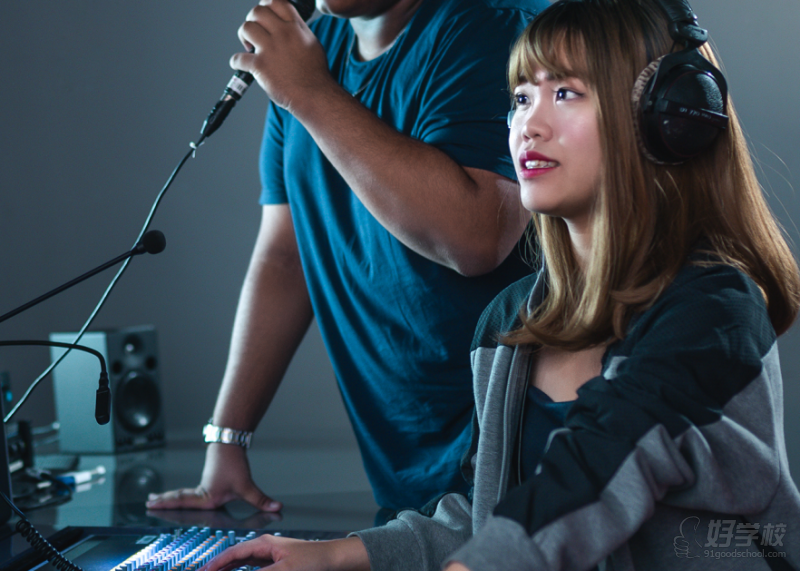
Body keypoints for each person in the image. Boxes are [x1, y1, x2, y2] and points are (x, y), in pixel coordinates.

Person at [193, 0, 800, 569]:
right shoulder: (511, 322)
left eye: (565, 93)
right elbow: (490, 514)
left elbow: (590, 482)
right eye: (519, 98)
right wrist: (336, 556)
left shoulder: (710, 314)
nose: (529, 124)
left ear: (669, 118)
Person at [147, 0, 550, 515]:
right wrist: (227, 438)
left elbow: (476, 239)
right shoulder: (305, 57)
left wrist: (310, 92)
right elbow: (286, 258)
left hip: (522, 463)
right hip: (401, 478)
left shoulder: (496, 26)